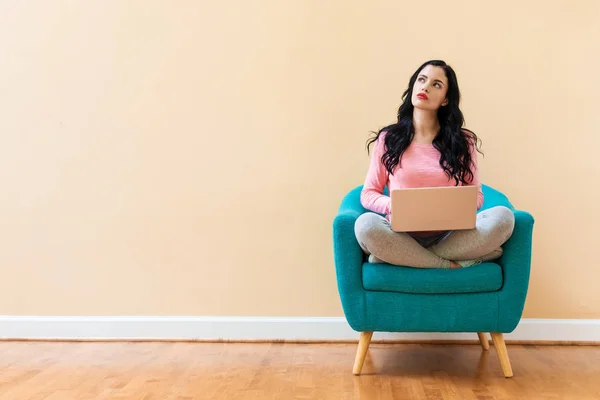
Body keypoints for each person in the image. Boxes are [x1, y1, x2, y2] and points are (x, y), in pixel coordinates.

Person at [354, 60, 515, 269]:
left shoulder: (463, 141)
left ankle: (402, 258)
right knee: (365, 225)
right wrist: (396, 206)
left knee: (504, 217)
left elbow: (476, 194)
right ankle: (445, 264)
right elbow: (369, 193)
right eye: (421, 80)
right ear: (413, 86)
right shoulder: (388, 139)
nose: (425, 87)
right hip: (400, 234)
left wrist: (453, 208)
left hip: (450, 236)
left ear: (446, 99)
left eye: (436, 84)